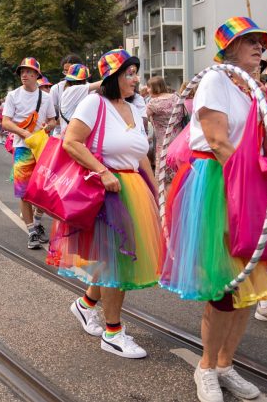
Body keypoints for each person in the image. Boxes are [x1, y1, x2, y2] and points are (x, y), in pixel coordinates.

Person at [160, 17, 267, 402]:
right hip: (218, 182)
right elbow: (216, 139)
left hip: (246, 179)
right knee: (224, 287)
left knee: (250, 284)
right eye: (250, 42)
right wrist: (255, 180)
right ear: (229, 51)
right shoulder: (215, 79)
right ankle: (206, 368)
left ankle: (226, 364)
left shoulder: (254, 90)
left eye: (261, 42)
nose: (259, 47)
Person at [48, 49, 162, 359]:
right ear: (112, 76)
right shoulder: (93, 103)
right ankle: (113, 332)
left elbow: (139, 154)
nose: (135, 78)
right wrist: (103, 171)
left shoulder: (133, 108)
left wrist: (154, 191)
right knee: (116, 262)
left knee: (115, 258)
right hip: (105, 191)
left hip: (132, 189)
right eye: (129, 73)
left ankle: (85, 306)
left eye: (136, 71)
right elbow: (71, 142)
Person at [1, 58, 57, 249]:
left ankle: (38, 222)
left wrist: (48, 126)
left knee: (44, 190)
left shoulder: (47, 97)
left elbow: (52, 120)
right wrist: (24, 133)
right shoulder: (13, 96)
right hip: (23, 148)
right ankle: (32, 231)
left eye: (29, 72)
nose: (24, 75)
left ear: (36, 75)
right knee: (24, 193)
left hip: (42, 148)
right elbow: (6, 122)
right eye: (22, 72)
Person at [57, 64, 102, 133]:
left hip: (67, 134)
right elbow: (101, 83)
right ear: (84, 80)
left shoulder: (68, 91)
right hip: (72, 135)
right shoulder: (75, 90)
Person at [146, 75, 176, 168]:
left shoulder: (154, 103)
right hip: (177, 138)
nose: (147, 90)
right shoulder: (176, 97)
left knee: (164, 167)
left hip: (163, 140)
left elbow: (142, 118)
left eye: (148, 87)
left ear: (155, 87)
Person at [50, 54, 83, 135]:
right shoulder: (56, 89)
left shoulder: (89, 88)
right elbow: (51, 117)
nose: (68, 74)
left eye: (71, 71)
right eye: (65, 71)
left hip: (83, 136)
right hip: (60, 136)